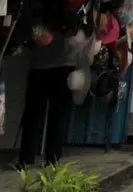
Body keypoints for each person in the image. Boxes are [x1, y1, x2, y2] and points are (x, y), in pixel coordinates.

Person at [16, 13, 89, 170]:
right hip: (62, 69)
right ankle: (52, 160)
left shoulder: (41, 19)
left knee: (34, 116)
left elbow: (29, 42)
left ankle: (26, 160)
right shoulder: (72, 21)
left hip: (40, 69)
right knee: (57, 117)